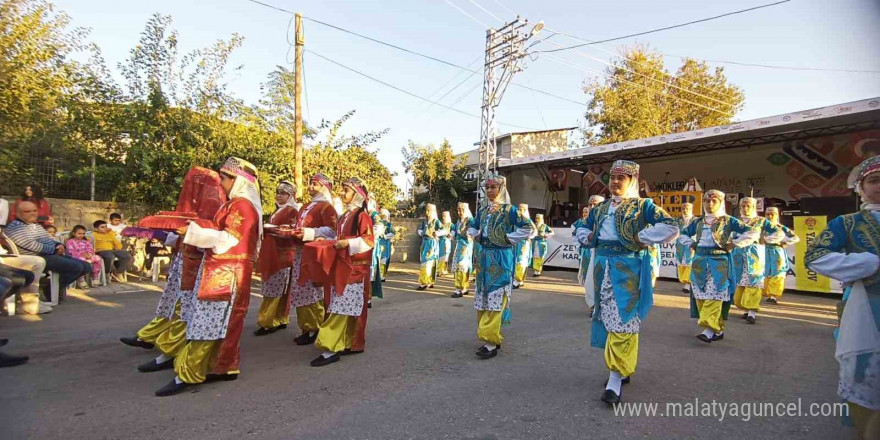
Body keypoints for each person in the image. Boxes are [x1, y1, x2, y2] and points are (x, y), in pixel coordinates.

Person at [154, 157, 262, 397]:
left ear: (238, 181)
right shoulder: (232, 204)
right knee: (208, 321)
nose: (220, 183)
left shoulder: (242, 206)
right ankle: (219, 367)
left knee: (207, 322)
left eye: (224, 178)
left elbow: (229, 239)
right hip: (219, 267)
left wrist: (191, 232)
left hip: (227, 270)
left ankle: (189, 373)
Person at [578, 160, 679, 405]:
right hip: (602, 267)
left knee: (623, 319)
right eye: (612, 177)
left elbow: (671, 226)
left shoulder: (642, 206)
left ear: (632, 181)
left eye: (621, 178)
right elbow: (582, 227)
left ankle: (615, 378)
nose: (614, 182)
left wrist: (640, 237)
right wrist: (588, 236)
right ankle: (621, 368)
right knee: (608, 318)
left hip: (629, 269)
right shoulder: (601, 208)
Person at [120, 166, 226, 368]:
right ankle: (150, 338)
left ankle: (168, 351)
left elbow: (210, 237)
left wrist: (181, 235)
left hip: (198, 264)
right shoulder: (200, 204)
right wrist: (160, 235)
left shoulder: (215, 203)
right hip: (184, 258)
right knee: (172, 303)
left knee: (183, 308)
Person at [805, 155, 879, 439]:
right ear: (860, 186)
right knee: (865, 374)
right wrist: (867, 264)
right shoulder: (847, 223)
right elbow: (815, 256)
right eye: (874, 180)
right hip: (868, 306)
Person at [467, 174, 535, 359]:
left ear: (501, 188)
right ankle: (491, 337)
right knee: (484, 295)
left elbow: (529, 228)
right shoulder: (482, 211)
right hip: (484, 257)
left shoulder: (509, 210)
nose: (489, 191)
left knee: (497, 295)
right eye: (487, 187)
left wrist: (509, 238)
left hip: (502, 257)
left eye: (493, 187)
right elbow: (471, 226)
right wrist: (477, 235)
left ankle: (490, 341)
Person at [678, 190, 760, 344]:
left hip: (719, 263)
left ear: (721, 203)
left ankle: (708, 330)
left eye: (714, 201)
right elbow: (682, 234)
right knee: (701, 296)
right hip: (699, 262)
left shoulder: (728, 221)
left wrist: (734, 243)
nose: (709, 204)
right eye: (707, 201)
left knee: (714, 295)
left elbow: (752, 232)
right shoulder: (698, 221)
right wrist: (692, 243)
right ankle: (718, 329)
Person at [311, 177, 374, 366]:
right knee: (343, 306)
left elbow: (369, 241)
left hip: (355, 268)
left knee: (341, 307)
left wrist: (348, 243)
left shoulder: (362, 216)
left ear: (357, 194)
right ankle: (347, 342)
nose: (343, 193)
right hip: (343, 265)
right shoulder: (345, 215)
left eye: (346, 190)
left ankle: (330, 347)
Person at [281, 173, 338, 346]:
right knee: (300, 290)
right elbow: (299, 226)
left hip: (314, 254)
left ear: (325, 187)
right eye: (310, 183)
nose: (311, 187)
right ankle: (306, 328)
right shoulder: (305, 206)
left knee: (312, 290)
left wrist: (309, 233)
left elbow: (332, 231)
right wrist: (290, 229)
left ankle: (316, 327)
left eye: (315, 184)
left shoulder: (327, 208)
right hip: (300, 252)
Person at [5, 201, 90, 300]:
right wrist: (54, 250)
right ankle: (49, 291)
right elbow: (31, 245)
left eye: (35, 211)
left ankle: (51, 287)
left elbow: (48, 239)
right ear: (18, 213)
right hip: (36, 257)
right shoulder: (15, 227)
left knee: (87, 266)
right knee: (77, 267)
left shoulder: (35, 225)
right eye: (27, 211)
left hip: (49, 254)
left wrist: (59, 245)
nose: (33, 213)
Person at [254, 180, 300, 336]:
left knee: (276, 288)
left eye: (283, 193)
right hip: (273, 252)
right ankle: (277, 318)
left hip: (283, 255)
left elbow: (292, 231)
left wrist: (271, 229)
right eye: (278, 192)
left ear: (291, 196)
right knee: (274, 288)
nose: (279, 196)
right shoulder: (277, 211)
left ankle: (269, 321)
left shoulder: (292, 211)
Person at [731, 197, 782, 324]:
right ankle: (746, 309)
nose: (746, 208)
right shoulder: (735, 222)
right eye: (743, 206)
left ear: (754, 207)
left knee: (754, 282)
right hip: (738, 256)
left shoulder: (761, 221)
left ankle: (752, 312)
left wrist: (767, 239)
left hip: (755, 256)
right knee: (739, 288)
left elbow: (779, 233)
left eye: (749, 206)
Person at [574, 196, 605, 313]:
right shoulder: (585, 221)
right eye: (590, 204)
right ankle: (593, 307)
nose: (592, 207)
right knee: (589, 279)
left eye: (595, 204)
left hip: (604, 254)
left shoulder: (607, 218)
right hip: (588, 252)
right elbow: (577, 234)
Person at [762, 207, 799, 304]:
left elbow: (795, 237)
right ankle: (763, 292)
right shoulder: (761, 226)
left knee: (778, 272)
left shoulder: (780, 227)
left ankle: (773, 295)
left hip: (777, 252)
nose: (770, 216)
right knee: (763, 271)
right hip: (763, 251)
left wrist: (783, 243)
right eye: (767, 214)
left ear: (776, 215)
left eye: (772, 214)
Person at [417, 204, 445, 290]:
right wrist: (420, 232)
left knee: (429, 262)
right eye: (426, 210)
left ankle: (426, 282)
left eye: (428, 210)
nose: (426, 212)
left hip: (432, 243)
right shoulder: (424, 221)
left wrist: (437, 233)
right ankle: (428, 281)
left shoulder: (436, 221)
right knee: (424, 261)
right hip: (424, 242)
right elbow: (420, 229)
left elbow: (444, 230)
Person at [450, 202, 474, 298]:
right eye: (458, 209)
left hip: (466, 246)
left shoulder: (470, 220)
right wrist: (452, 235)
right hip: (459, 246)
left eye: (461, 210)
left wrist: (466, 234)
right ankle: (460, 288)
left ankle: (462, 288)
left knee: (462, 265)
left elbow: (472, 232)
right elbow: (455, 232)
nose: (459, 212)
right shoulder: (459, 221)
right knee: (457, 266)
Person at [675, 203, 697, 293]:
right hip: (680, 245)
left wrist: (694, 244)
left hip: (690, 245)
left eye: (687, 208)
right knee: (681, 263)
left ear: (691, 209)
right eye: (683, 208)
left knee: (690, 263)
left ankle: (689, 284)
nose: (685, 210)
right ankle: (686, 282)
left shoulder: (695, 220)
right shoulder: (678, 220)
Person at [513, 203, 535, 289]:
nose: (520, 211)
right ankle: (519, 280)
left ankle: (518, 280)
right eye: (519, 209)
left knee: (521, 260)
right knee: (516, 260)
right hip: (515, 243)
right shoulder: (516, 220)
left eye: (522, 209)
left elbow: (535, 231)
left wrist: (529, 236)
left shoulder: (527, 221)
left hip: (523, 244)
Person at [378, 209, 394, 282]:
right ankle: (377, 275)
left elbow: (392, 233)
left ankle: (382, 276)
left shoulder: (389, 224)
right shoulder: (378, 223)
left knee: (384, 260)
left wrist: (385, 236)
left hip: (385, 243)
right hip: (378, 242)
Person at [437, 211, 453, 276]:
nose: (443, 217)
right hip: (440, 241)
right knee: (440, 255)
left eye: (445, 216)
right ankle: (439, 270)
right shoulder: (440, 224)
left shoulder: (451, 225)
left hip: (447, 241)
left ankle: (444, 270)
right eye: (442, 216)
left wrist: (450, 235)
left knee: (446, 256)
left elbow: (453, 233)